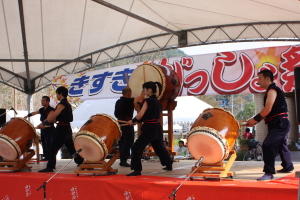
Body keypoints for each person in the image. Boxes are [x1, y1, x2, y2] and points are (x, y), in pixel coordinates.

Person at [246, 69, 294, 181]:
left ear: (267, 78)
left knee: (268, 144)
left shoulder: (272, 89)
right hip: (277, 123)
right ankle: (288, 166)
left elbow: (267, 109)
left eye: (260, 78)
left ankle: (269, 172)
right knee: (281, 145)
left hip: (280, 124)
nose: (258, 81)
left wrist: (255, 119)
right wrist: (254, 121)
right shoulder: (271, 91)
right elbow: (268, 112)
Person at [126, 81, 173, 176]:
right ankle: (168, 164)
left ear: (149, 90)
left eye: (144, 89)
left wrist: (133, 121)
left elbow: (140, 115)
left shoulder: (147, 101)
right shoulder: (158, 102)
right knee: (159, 147)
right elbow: (149, 115)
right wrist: (137, 121)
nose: (143, 91)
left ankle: (137, 169)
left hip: (149, 128)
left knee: (136, 147)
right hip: (157, 127)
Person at [37, 86, 84, 172]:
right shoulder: (67, 104)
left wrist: (44, 123)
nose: (57, 96)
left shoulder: (62, 104)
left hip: (62, 128)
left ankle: (50, 167)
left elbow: (54, 116)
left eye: (57, 94)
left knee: (52, 147)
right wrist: (48, 121)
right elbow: (56, 117)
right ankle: (81, 161)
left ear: (60, 94)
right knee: (71, 147)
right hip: (66, 127)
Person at [114, 87, 144, 167]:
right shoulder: (128, 100)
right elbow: (141, 97)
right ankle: (124, 159)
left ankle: (122, 159)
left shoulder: (118, 102)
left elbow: (116, 114)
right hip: (127, 124)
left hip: (119, 124)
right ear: (128, 93)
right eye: (130, 93)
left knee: (122, 142)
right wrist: (144, 90)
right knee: (128, 141)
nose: (131, 95)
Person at [24, 96, 55, 161]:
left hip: (49, 129)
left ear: (48, 102)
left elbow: (48, 119)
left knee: (49, 143)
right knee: (44, 142)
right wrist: (27, 116)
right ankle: (46, 156)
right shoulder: (42, 109)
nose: (42, 102)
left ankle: (50, 157)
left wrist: (42, 124)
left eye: (43, 100)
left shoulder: (51, 110)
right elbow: (35, 112)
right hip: (43, 129)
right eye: (42, 100)